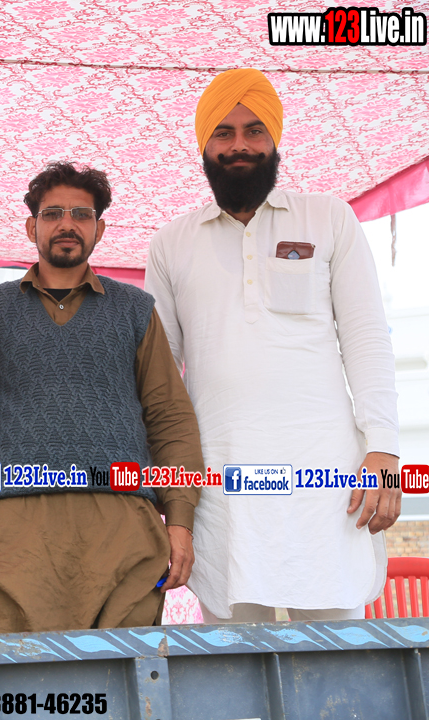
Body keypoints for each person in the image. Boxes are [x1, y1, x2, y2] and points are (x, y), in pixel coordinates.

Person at [145, 68, 400, 623]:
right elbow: (159, 377)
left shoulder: (328, 217)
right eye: (224, 132)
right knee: (236, 658)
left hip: (330, 481)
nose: (239, 144)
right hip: (222, 485)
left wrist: (383, 449)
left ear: (275, 139)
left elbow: (366, 338)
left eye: (254, 130)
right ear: (204, 145)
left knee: (337, 658)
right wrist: (168, 487)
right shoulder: (171, 243)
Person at [0, 161, 205, 632]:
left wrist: (180, 521)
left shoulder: (135, 310)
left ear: (99, 229)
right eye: (52, 214)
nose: (66, 224)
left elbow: (169, 417)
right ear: (31, 226)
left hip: (123, 531)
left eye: (82, 214)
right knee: (16, 673)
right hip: (13, 536)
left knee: (121, 673)